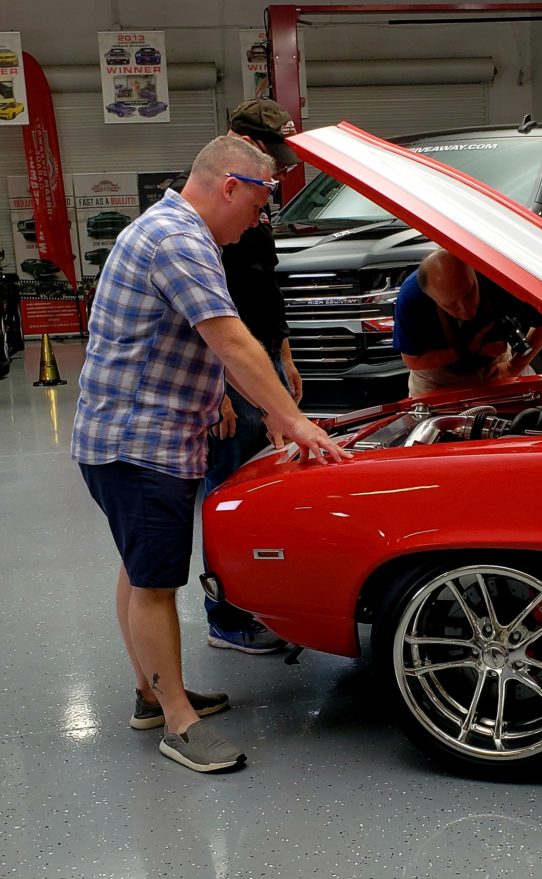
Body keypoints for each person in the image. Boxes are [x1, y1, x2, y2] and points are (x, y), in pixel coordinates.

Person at [71, 135, 351, 773]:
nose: (257, 222)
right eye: (257, 207)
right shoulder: (179, 241)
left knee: (141, 567)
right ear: (230, 187)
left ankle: (152, 693)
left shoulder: (174, 230)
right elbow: (230, 340)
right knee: (155, 583)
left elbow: (196, 340)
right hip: (140, 444)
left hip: (126, 437)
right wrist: (293, 420)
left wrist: (249, 405)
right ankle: (179, 723)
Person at [173, 99, 305, 656]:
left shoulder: (256, 204)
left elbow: (264, 287)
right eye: (267, 154)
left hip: (259, 357)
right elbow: (206, 320)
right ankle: (225, 618)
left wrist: (283, 354)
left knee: (265, 489)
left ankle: (263, 601)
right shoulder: (203, 211)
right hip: (228, 366)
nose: (274, 170)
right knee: (227, 492)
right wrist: (221, 394)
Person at [393, 249, 542, 396]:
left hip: (495, 365)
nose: (465, 308)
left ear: (474, 270)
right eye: (451, 304)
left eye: (469, 292)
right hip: (437, 376)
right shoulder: (411, 297)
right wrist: (470, 348)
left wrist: (513, 367)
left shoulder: (501, 279)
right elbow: (413, 361)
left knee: (533, 411)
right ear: (430, 297)